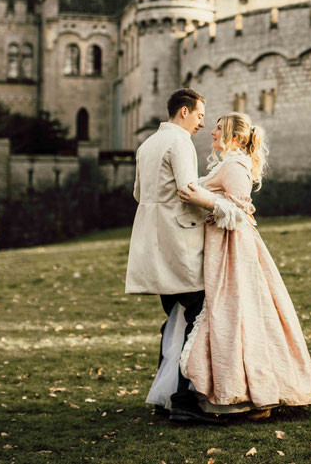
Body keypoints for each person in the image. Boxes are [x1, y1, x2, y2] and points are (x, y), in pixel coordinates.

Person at [176, 111, 311, 419]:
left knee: (236, 312)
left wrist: (203, 199)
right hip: (221, 245)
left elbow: (240, 213)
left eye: (218, 129)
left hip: (233, 248)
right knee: (232, 313)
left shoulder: (235, 166)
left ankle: (252, 393)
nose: (212, 133)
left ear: (234, 136)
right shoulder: (227, 165)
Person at [126, 88, 216, 424]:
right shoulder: (180, 142)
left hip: (151, 241)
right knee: (200, 314)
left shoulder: (146, 144)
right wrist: (220, 206)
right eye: (199, 116)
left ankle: (166, 394)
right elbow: (187, 189)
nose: (202, 124)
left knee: (176, 315)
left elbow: (138, 193)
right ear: (183, 111)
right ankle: (183, 399)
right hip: (180, 241)